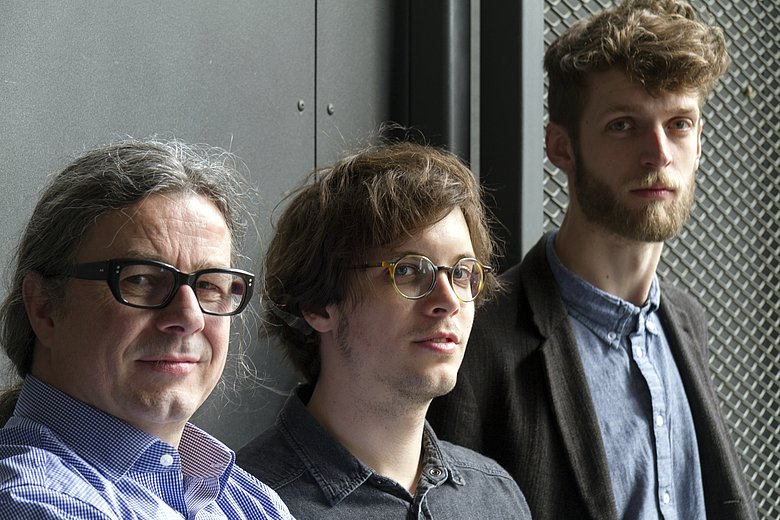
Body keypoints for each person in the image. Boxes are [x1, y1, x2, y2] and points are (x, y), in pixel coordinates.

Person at [428, 1, 757, 519]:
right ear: (561, 147)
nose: (658, 153)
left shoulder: (685, 320)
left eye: (679, 123)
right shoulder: (479, 337)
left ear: (699, 142)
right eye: (623, 125)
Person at [236, 140, 531, 519]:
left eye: (462, 273)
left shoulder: (496, 498)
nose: (449, 300)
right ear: (317, 304)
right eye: (407, 270)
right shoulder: (243, 505)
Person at [0, 139, 293, 519]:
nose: (190, 317)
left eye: (209, 285)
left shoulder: (250, 500)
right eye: (140, 279)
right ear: (44, 308)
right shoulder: (34, 501)